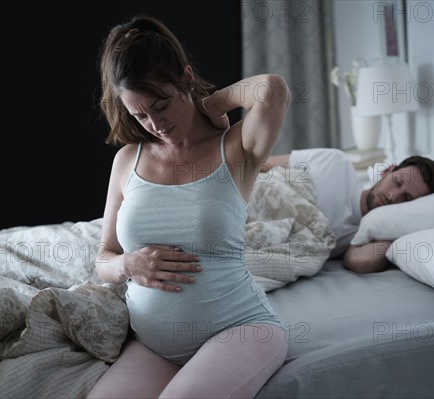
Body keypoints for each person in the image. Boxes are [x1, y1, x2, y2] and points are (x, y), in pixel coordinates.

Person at [88, 15, 291, 399]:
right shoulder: (127, 160)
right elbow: (104, 256)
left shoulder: (235, 147)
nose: (155, 123)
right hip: (155, 348)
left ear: (185, 77)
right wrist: (126, 265)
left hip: (240, 329)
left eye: (162, 105)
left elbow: (272, 89)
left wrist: (210, 103)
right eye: (139, 115)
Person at [261, 148, 434, 274]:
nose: (393, 196)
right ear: (388, 170)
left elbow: (361, 262)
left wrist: (402, 228)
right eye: (397, 182)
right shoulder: (335, 162)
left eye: (407, 198)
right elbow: (261, 164)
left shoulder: (365, 233)